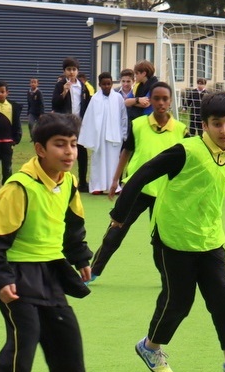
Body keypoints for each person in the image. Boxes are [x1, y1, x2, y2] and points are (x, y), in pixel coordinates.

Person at [109, 92, 225, 372]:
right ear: (205, 125)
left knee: (224, 298)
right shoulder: (186, 151)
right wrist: (120, 213)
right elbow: (142, 173)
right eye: (217, 124)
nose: (224, 130)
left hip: (210, 239)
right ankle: (150, 346)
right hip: (173, 237)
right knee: (179, 301)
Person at [0, 113, 103, 372]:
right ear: (39, 149)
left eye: (73, 144)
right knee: (24, 339)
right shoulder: (18, 187)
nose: (69, 152)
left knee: (67, 337)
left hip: (50, 272)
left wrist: (80, 258)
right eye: (60, 145)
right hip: (17, 276)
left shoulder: (68, 182)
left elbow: (72, 225)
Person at [89, 82, 187, 282]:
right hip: (136, 189)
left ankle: (167, 278)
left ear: (170, 101)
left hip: (164, 192)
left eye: (165, 99)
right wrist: (115, 179)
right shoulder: (139, 125)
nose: (160, 102)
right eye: (156, 98)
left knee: (162, 239)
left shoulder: (181, 130)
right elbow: (127, 151)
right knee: (116, 231)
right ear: (150, 100)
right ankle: (93, 271)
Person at [78, 72, 128, 195]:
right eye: (104, 84)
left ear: (112, 84)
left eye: (109, 84)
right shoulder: (95, 99)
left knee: (113, 162)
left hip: (115, 135)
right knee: (98, 161)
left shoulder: (118, 98)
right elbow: (89, 118)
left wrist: (124, 133)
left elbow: (123, 117)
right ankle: (97, 186)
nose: (106, 86)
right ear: (99, 84)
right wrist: (89, 137)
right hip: (99, 136)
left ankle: (114, 186)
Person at [52, 57, 91, 193]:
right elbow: (55, 104)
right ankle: (59, 180)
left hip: (79, 124)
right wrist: (64, 91)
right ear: (64, 71)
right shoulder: (60, 84)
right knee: (63, 151)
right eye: (68, 69)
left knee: (81, 152)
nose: (71, 72)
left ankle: (82, 182)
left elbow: (87, 105)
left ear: (77, 71)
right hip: (64, 123)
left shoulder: (83, 86)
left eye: (74, 69)